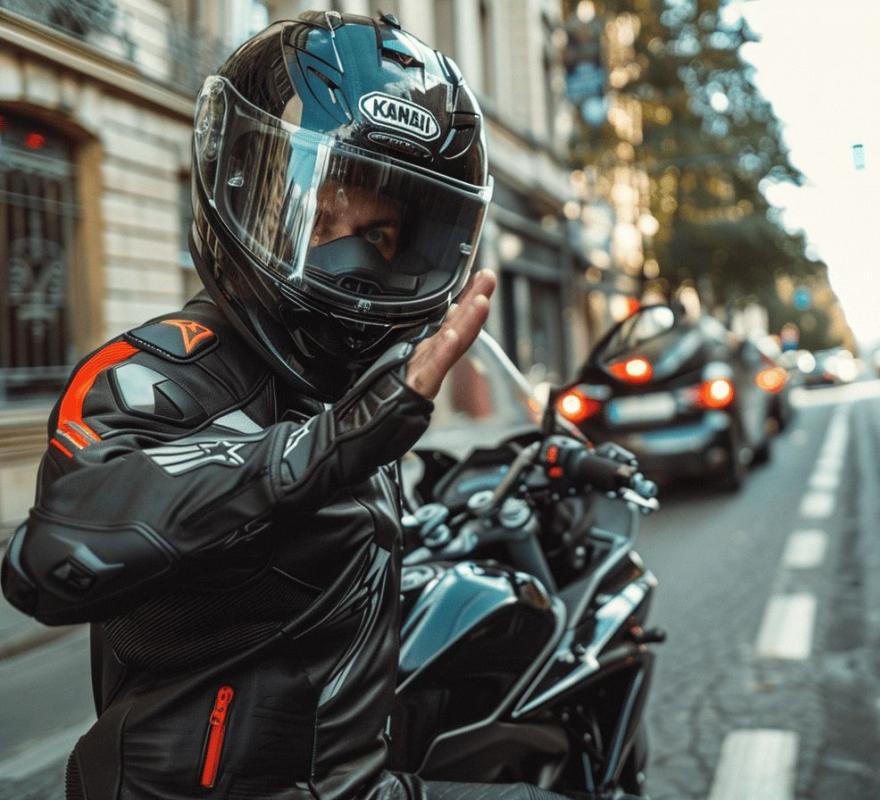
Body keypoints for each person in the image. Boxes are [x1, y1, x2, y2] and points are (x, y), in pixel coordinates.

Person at [1, 11, 585, 800]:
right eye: (324, 215)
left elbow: (326, 529)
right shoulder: (155, 369)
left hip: (350, 781)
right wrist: (343, 439)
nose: (349, 257)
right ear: (244, 184)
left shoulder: (344, 387)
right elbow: (57, 553)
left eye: (378, 236)